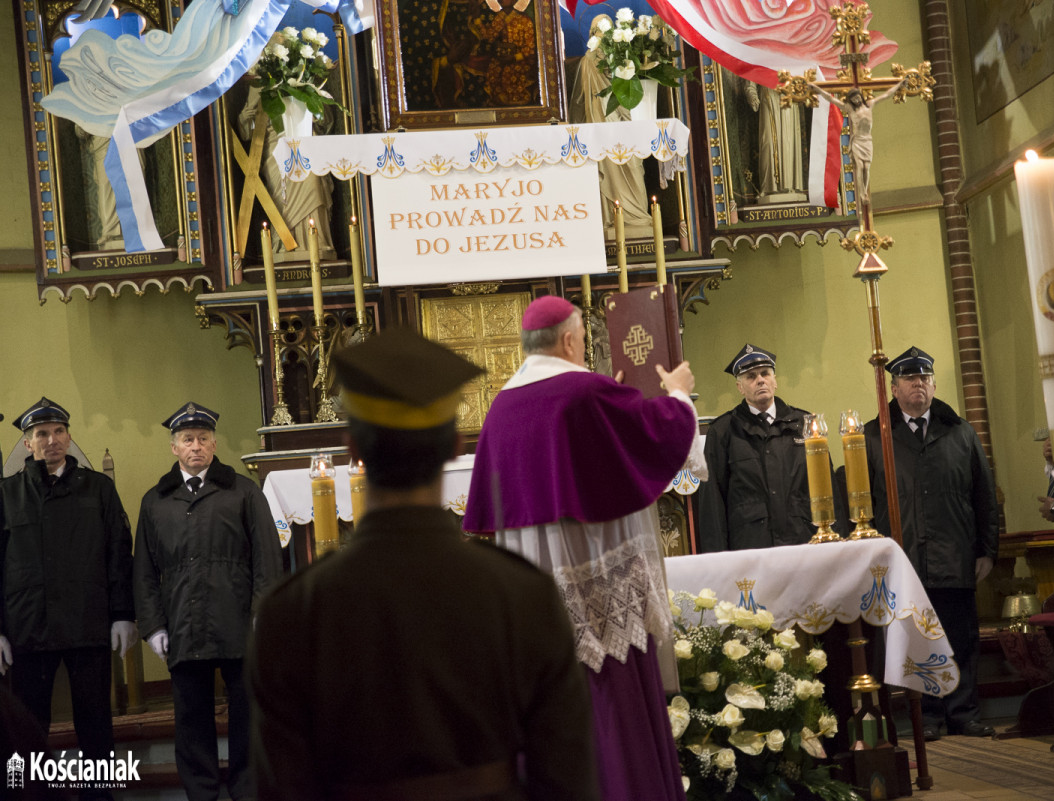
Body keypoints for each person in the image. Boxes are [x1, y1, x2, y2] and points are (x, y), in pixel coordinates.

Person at [250, 326, 599, 801]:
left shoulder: (291, 611)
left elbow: (282, 786)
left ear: (354, 450)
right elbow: (567, 778)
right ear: (454, 446)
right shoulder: (522, 592)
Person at [463, 296, 701, 801]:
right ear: (570, 340)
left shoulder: (503, 404)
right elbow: (661, 432)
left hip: (536, 606)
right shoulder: (584, 390)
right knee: (614, 709)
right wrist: (678, 394)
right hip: (598, 591)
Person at [133, 402, 282, 801]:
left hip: (237, 619)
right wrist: (153, 626)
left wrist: (262, 613)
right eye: (187, 439)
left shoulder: (243, 491)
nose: (195, 446)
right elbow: (144, 572)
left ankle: (247, 788)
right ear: (174, 448)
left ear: (215, 444)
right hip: (182, 621)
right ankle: (200, 791)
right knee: (190, 716)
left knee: (247, 714)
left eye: (202, 438)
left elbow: (267, 557)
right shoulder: (156, 501)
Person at [0, 398, 136, 801]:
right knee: (27, 728)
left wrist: (123, 615)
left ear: (69, 437)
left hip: (88, 624)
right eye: (41, 434)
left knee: (96, 726)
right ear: (27, 444)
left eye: (59, 431)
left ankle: (100, 797)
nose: (51, 440)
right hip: (28, 630)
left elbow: (118, 555)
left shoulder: (99, 489)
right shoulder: (6, 495)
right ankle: (26, 795)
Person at [864, 347, 998, 740]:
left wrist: (987, 551)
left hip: (955, 555)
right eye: (909, 379)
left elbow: (984, 497)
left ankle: (963, 712)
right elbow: (863, 502)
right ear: (894, 387)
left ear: (934, 384)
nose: (918, 384)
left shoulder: (960, 432)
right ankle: (930, 717)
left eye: (924, 378)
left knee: (960, 637)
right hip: (903, 558)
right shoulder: (875, 436)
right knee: (916, 639)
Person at [698, 343, 845, 552]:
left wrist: (838, 542)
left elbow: (828, 489)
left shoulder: (805, 425)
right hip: (751, 547)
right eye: (751, 376)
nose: (760, 380)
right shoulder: (723, 432)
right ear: (740, 387)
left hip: (803, 542)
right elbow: (712, 503)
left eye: (765, 374)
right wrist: (716, 559)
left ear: (774, 381)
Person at [569, 14, 653, 232]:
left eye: (604, 30)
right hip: (602, 121)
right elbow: (581, 100)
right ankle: (617, 216)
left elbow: (631, 92)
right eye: (596, 30)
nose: (601, 35)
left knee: (633, 166)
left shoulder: (622, 56)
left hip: (624, 120)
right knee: (610, 164)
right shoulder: (588, 61)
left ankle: (637, 214)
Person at [237, 85, 336, 264]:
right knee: (281, 196)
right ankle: (285, 243)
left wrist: (314, 103)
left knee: (313, 182)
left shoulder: (304, 80)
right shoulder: (259, 85)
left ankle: (318, 243)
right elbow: (246, 131)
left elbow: (326, 121)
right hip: (275, 148)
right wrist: (248, 113)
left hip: (305, 144)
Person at [809, 81, 905, 221]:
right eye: (853, 98)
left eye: (857, 97)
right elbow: (831, 99)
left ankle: (864, 190)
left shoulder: (869, 104)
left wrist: (899, 85)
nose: (856, 99)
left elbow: (886, 94)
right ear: (851, 100)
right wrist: (817, 88)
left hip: (867, 141)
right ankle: (863, 193)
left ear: (860, 96)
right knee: (860, 166)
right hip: (858, 141)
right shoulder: (850, 109)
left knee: (867, 167)